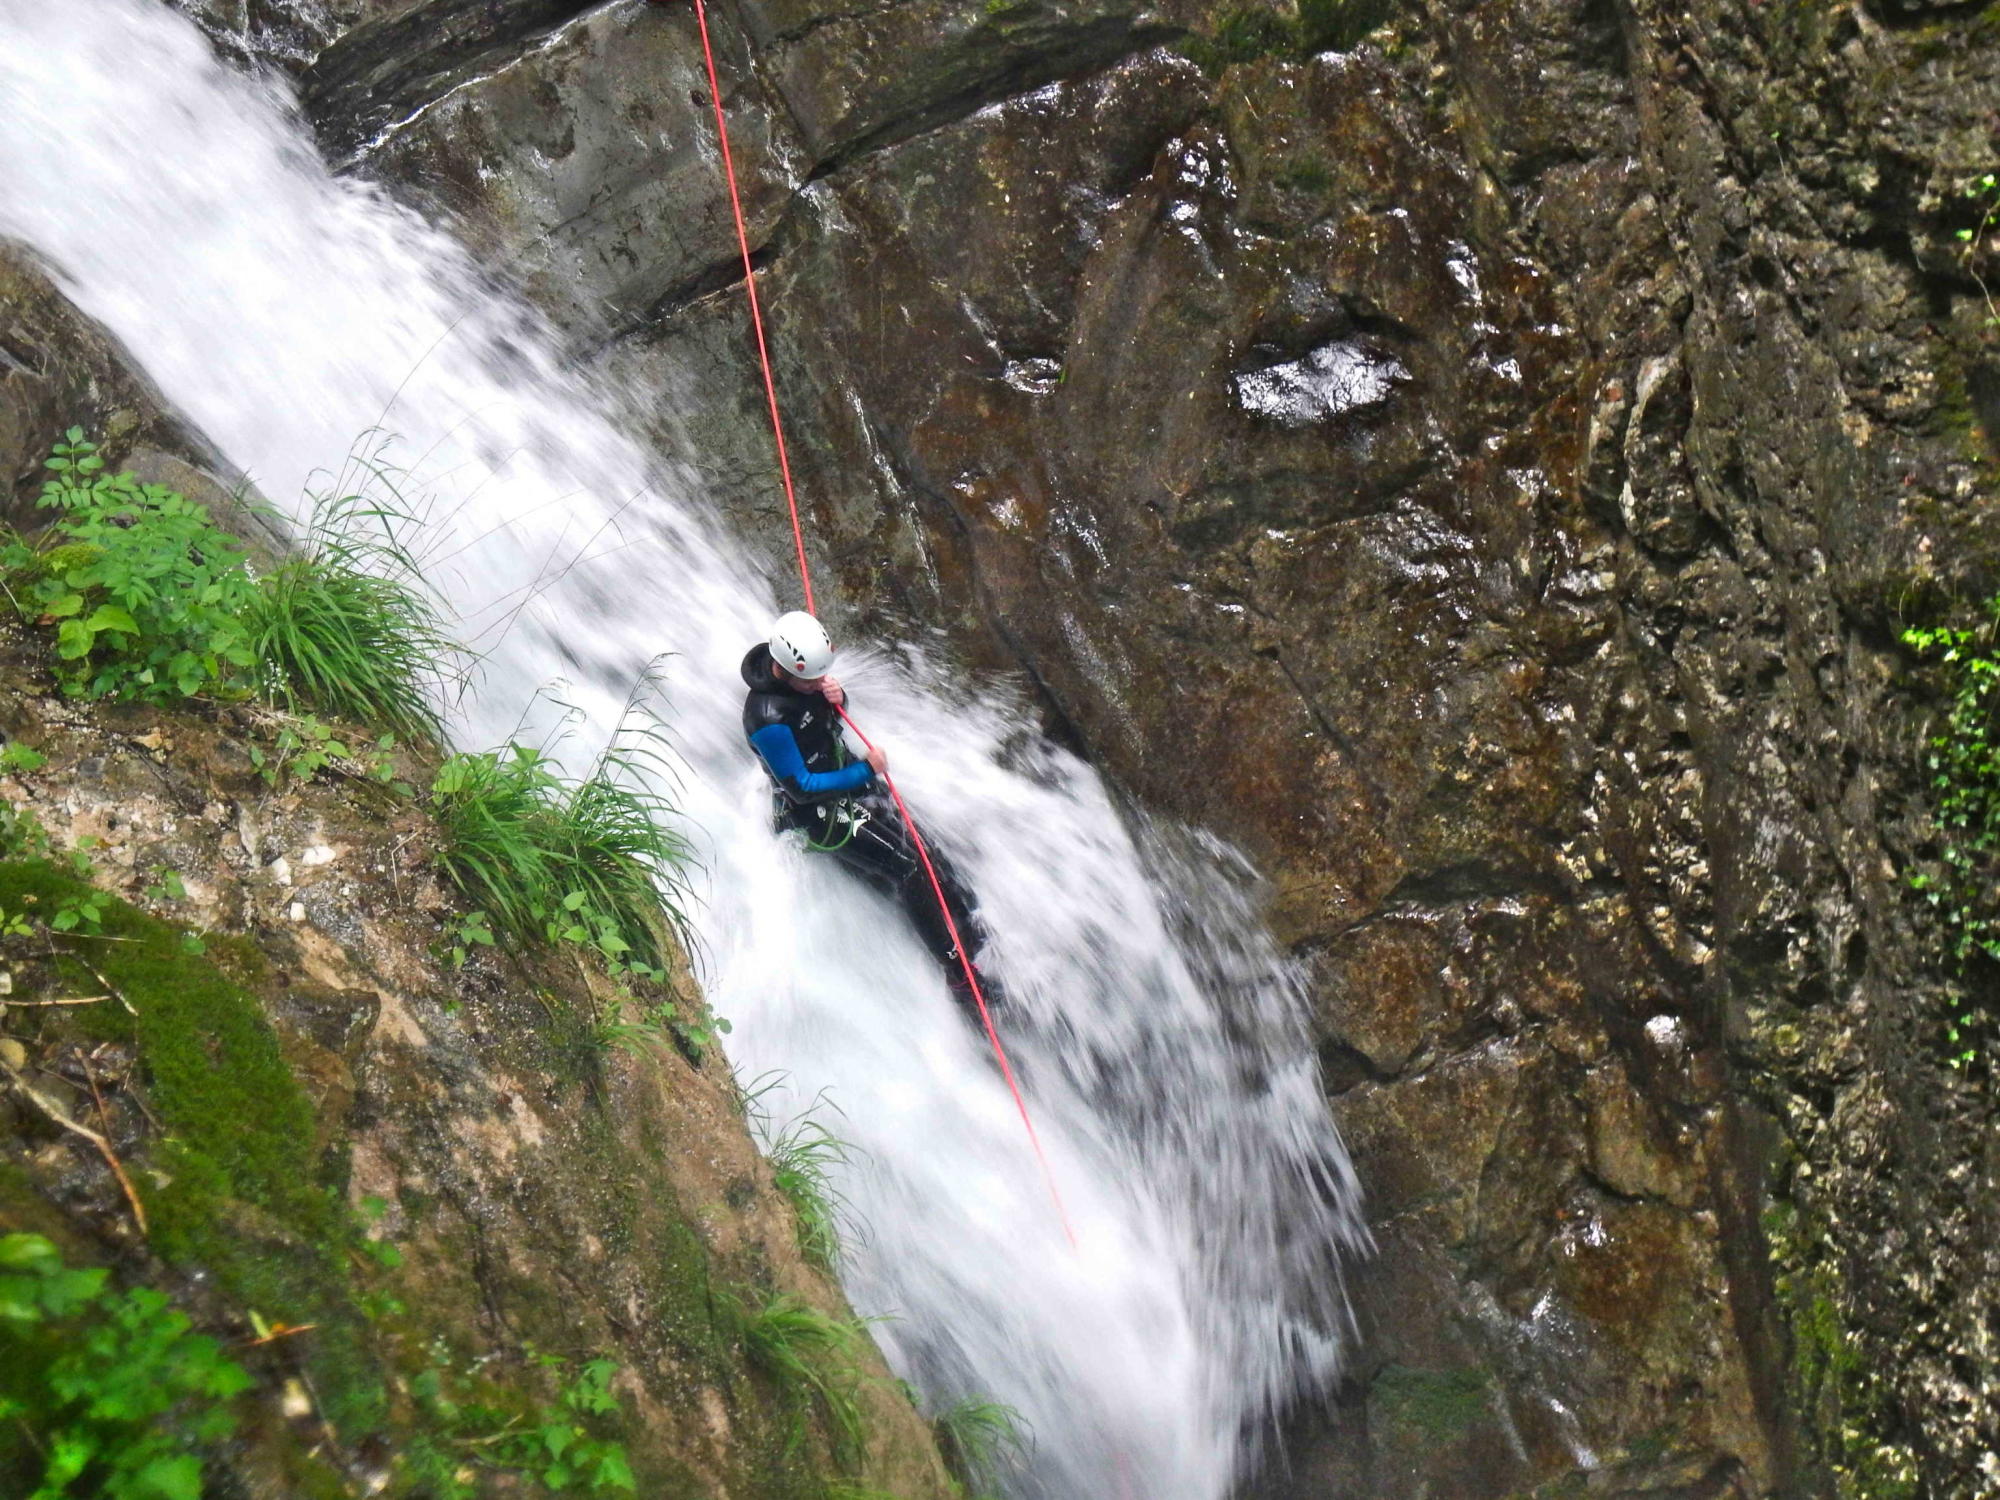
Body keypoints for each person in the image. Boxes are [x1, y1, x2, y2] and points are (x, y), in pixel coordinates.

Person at [741, 611, 995, 1010]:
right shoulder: (768, 719)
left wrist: (839, 698)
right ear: (786, 669)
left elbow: (823, 719)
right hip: (816, 813)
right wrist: (865, 771)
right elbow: (801, 789)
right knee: (906, 864)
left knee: (920, 839)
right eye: (811, 680)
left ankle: (970, 920)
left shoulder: (803, 685)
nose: (817, 684)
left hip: (843, 777)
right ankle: (959, 977)